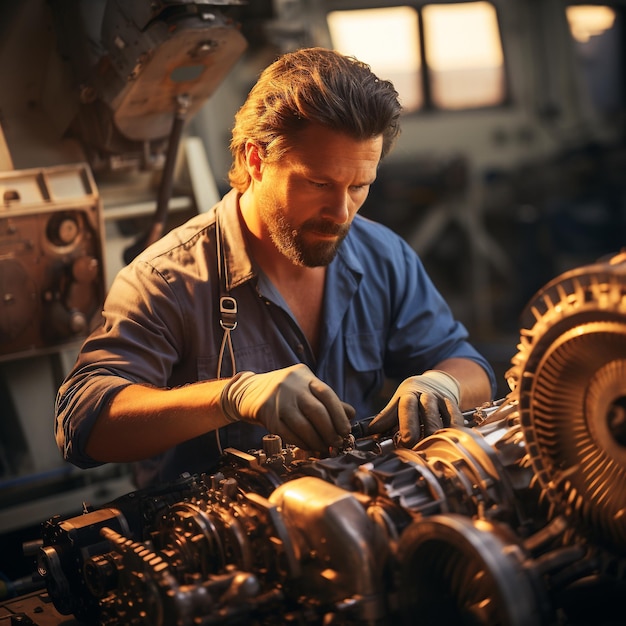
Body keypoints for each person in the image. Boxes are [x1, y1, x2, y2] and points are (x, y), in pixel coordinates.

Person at [55, 47, 496, 488]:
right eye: (318, 183)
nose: (341, 212)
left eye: (359, 186)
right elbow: (84, 426)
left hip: (357, 516)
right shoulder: (167, 280)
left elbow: (469, 366)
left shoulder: (384, 256)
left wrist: (443, 384)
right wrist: (230, 398)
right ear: (255, 159)